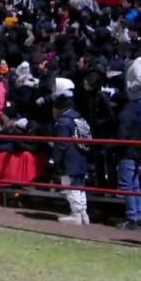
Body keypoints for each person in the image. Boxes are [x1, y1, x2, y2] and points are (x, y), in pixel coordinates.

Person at [51, 93, 90, 225]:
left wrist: (56, 161)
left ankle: (76, 214)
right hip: (81, 156)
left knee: (70, 186)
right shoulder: (79, 118)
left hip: (69, 159)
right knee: (79, 186)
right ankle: (83, 213)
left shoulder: (63, 121)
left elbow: (61, 144)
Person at [112, 90, 141, 230]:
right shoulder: (137, 114)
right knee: (135, 186)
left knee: (127, 186)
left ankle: (131, 217)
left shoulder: (123, 116)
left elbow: (122, 136)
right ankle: (139, 217)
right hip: (137, 152)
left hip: (126, 153)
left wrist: (114, 145)